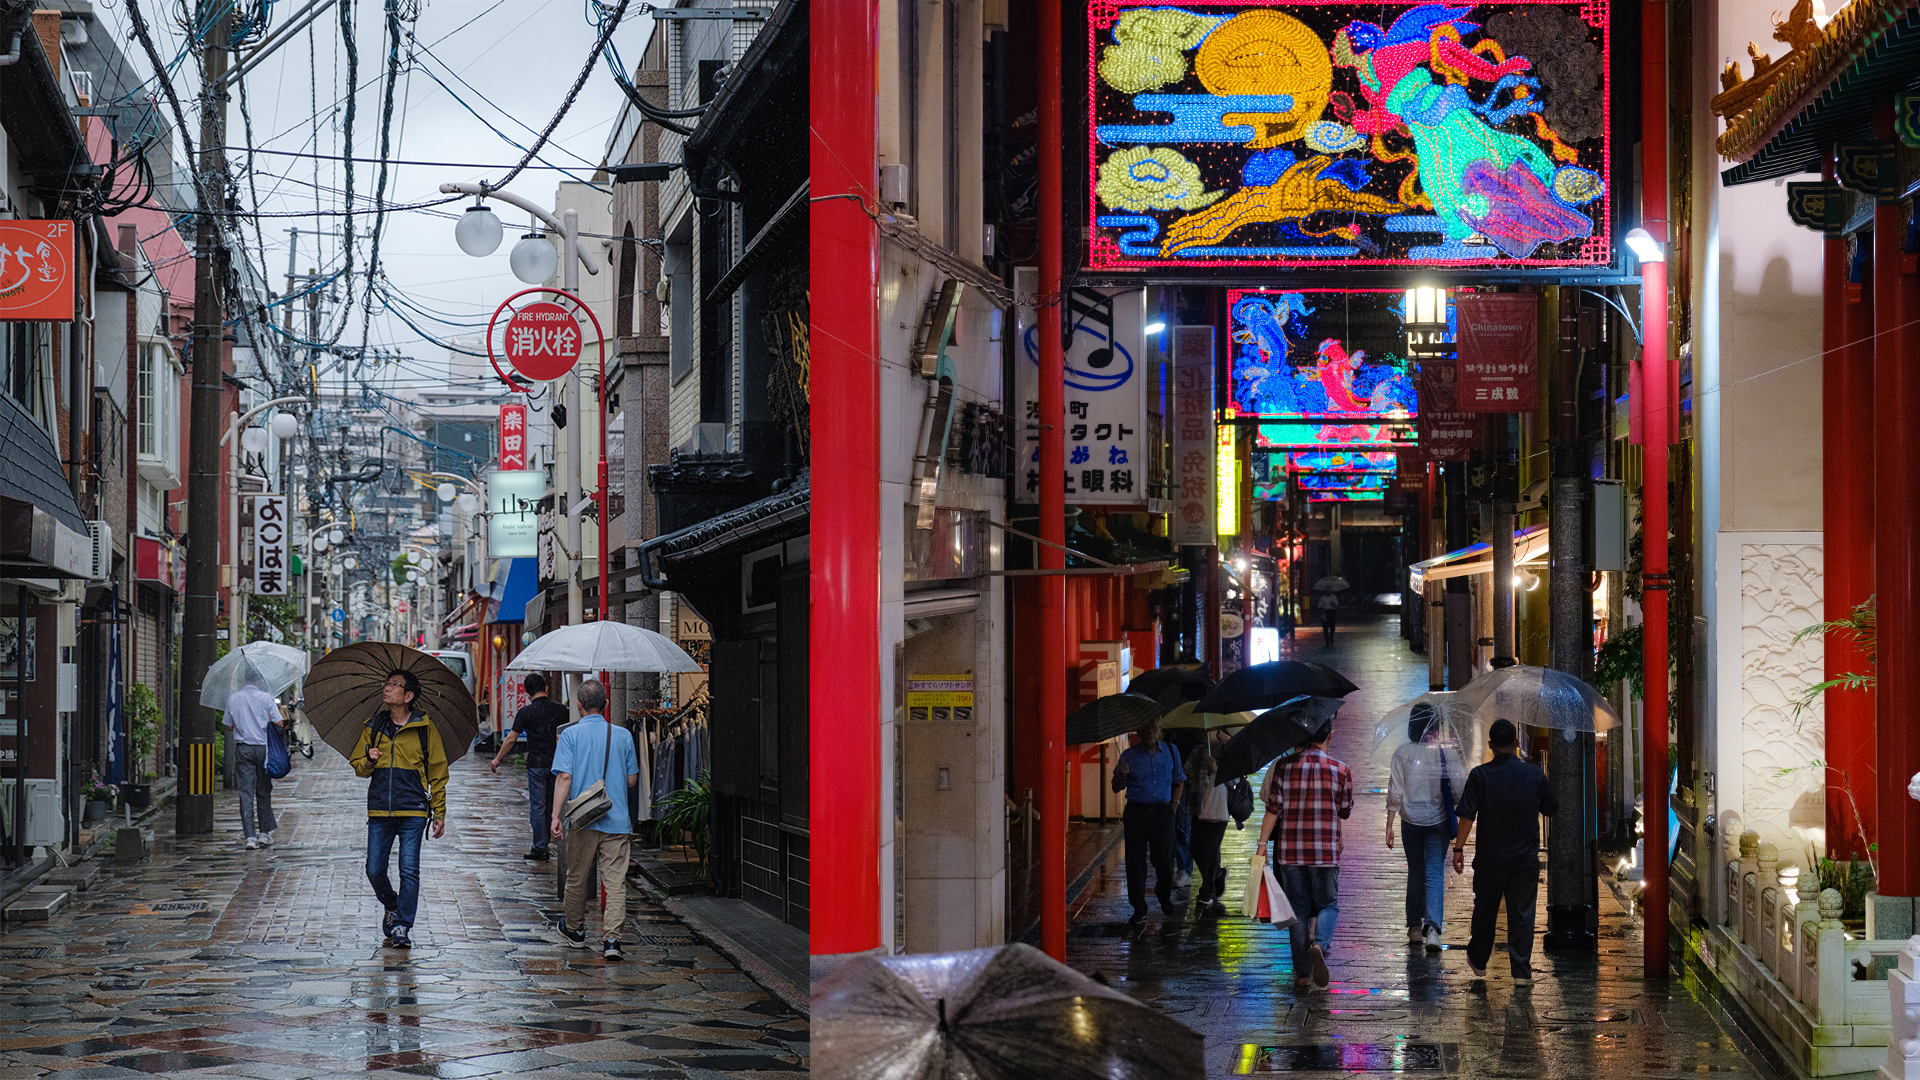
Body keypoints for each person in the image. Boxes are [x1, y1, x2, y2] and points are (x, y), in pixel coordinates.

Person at [1452, 718, 1559, 984]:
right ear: (1516, 743)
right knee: (1522, 915)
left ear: (1490, 745)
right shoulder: (1534, 774)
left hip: (1490, 861)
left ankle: (1478, 959)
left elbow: (1466, 816)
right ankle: (1521, 971)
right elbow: (1551, 807)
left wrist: (1458, 848)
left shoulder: (1480, 775)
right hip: (1524, 861)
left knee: (1485, 912)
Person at [350, 669, 449, 950]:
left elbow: (438, 771)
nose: (387, 688)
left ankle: (403, 925)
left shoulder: (425, 728)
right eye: (387, 683)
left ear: (408, 696)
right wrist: (369, 760)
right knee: (374, 869)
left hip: (414, 809)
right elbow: (358, 768)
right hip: (380, 808)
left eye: (395, 685)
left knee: (409, 869)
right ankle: (391, 903)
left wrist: (439, 812)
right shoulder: (374, 726)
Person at [1256, 720, 1354, 991]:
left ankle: (1301, 975)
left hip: (1290, 853)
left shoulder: (1284, 767)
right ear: (1329, 736)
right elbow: (1345, 810)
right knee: (1328, 905)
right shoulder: (1341, 770)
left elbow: (1273, 809)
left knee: (1297, 911)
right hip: (1325, 852)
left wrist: (1262, 845)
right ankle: (1320, 945)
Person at [550, 680, 641, 961]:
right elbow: (631, 780)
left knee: (576, 878)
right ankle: (612, 940)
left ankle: (575, 931)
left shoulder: (569, 735)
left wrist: (555, 815)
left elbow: (564, 777)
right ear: (606, 704)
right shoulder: (623, 735)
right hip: (617, 821)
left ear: (578, 705)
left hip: (582, 820)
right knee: (615, 882)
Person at [1386, 703, 1461, 951]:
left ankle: (1414, 927)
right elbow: (1459, 788)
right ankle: (1434, 931)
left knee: (1416, 873)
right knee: (1435, 873)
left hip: (1410, 822)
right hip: (1438, 821)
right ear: (1435, 726)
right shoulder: (1446, 753)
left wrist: (1389, 825)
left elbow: (1395, 792)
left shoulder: (1402, 752)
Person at [1111, 715, 1184, 928]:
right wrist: (1121, 775)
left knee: (1164, 860)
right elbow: (1116, 787)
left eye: (1154, 724)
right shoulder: (1128, 755)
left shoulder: (1171, 751)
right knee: (1135, 863)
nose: (1151, 729)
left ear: (1161, 727)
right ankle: (1139, 908)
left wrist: (1174, 806)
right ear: (1138, 731)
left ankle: (1163, 894)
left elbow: (1178, 781)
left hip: (1163, 813)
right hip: (1136, 813)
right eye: (1146, 725)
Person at [490, 673, 566, 861]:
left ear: (526, 693)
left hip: (536, 764)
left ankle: (540, 847)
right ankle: (552, 838)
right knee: (553, 803)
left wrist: (498, 759)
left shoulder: (526, 712)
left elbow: (511, 739)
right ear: (546, 689)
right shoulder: (561, 710)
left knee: (538, 806)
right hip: (558, 763)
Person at [222, 668, 284, 850]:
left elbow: (228, 726)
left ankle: (250, 837)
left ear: (244, 678)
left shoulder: (234, 698)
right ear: (259, 680)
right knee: (263, 790)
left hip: (244, 750)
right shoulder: (266, 698)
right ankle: (264, 834)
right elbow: (279, 722)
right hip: (264, 749)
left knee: (245, 793)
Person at [1185, 727, 1234, 912]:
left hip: (1219, 805)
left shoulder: (1226, 750)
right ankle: (1217, 874)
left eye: (1208, 731)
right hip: (1198, 806)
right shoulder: (1197, 750)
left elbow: (1235, 780)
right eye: (1200, 731)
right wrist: (1189, 776)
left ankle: (1206, 893)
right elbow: (1186, 772)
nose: (1203, 734)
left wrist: (1217, 769)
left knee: (1212, 850)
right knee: (1196, 848)